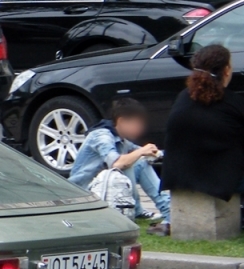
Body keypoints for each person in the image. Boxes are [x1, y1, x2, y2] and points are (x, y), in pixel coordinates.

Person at [160, 44, 244, 217]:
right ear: (226, 70)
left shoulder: (183, 97)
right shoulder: (232, 103)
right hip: (221, 181)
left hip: (178, 176)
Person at [68, 97, 171, 234]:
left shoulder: (121, 139)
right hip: (85, 194)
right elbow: (116, 163)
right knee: (129, 163)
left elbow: (145, 153)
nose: (140, 129)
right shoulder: (101, 136)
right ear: (122, 121)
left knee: (140, 162)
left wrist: (159, 153)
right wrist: (141, 151)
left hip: (108, 192)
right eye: (137, 124)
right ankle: (146, 210)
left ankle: (168, 212)